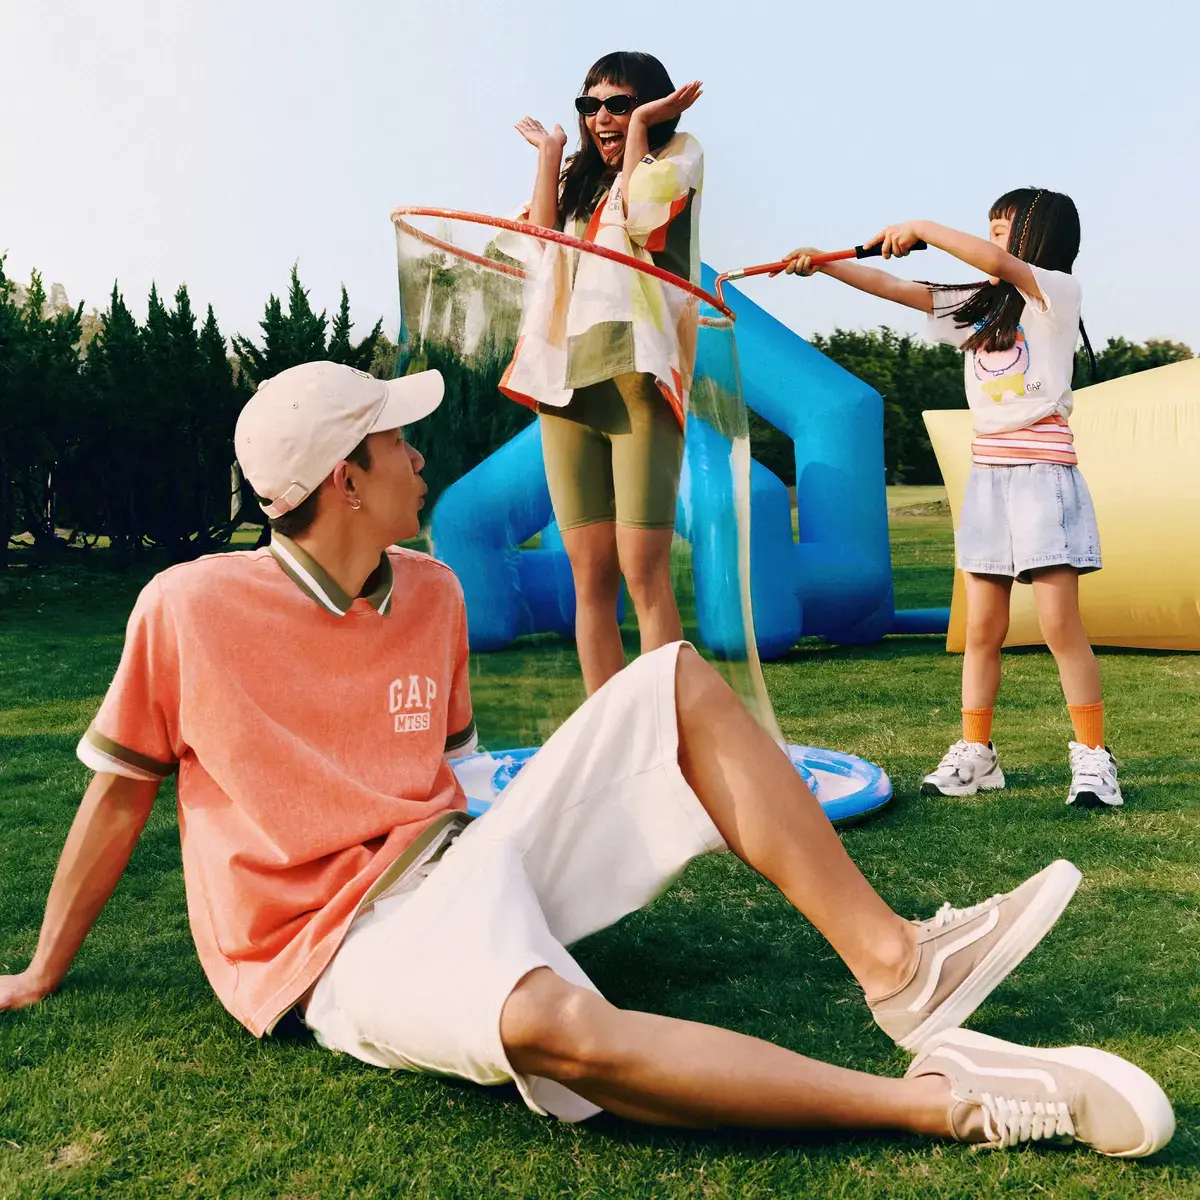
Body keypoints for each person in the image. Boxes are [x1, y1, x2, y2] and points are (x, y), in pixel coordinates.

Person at [0, 360, 1174, 1157]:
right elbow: (119, 799)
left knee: (670, 680)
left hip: (453, 856)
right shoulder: (187, 608)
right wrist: (44, 969)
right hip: (332, 950)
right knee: (555, 1028)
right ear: (345, 479)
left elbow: (455, 775)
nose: (423, 458)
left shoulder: (433, 593)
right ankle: (941, 1102)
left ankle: (902, 966)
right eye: (399, 442)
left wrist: (543, 843)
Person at [785, 190, 1121, 808]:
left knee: (1058, 625)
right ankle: (977, 753)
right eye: (987, 229)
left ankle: (1094, 756)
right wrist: (826, 264)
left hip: (1042, 474)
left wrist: (920, 226)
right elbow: (895, 287)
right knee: (982, 628)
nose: (992, 241)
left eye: (1003, 229)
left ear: (1039, 237)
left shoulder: (1054, 292)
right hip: (988, 476)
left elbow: (999, 265)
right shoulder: (980, 305)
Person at [505, 51, 704, 694]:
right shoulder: (578, 177)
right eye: (590, 106)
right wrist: (550, 155)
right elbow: (539, 243)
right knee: (589, 575)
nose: (601, 119)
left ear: (652, 106)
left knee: (643, 570)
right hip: (564, 381)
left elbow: (643, 220)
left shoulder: (678, 156)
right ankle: (607, 730)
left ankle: (664, 728)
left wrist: (641, 129)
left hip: (637, 374)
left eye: (619, 104)